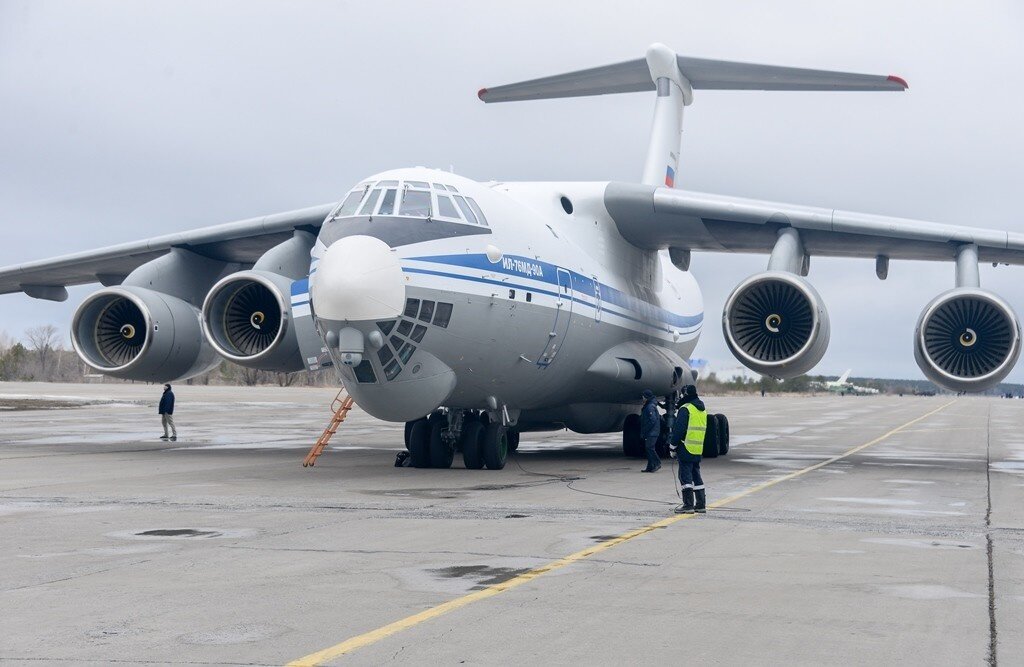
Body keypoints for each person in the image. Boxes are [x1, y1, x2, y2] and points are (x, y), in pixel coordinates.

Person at [670, 384, 707, 514]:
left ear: (685, 394)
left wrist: (672, 446)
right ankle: (701, 504)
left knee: (685, 476)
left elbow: (678, 429)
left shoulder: (686, 408)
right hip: (697, 448)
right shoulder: (702, 409)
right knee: (696, 476)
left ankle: (688, 505)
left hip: (686, 447)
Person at [640, 389, 662, 473]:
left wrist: (646, 429)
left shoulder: (650, 406)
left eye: (643, 396)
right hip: (651, 431)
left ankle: (657, 463)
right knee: (648, 448)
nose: (642, 398)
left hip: (652, 432)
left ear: (646, 397)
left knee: (650, 448)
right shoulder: (649, 405)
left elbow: (652, 420)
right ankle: (650, 466)